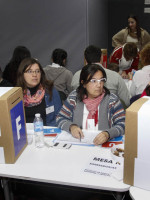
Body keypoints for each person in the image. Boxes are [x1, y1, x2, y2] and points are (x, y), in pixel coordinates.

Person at [56, 64, 125, 145]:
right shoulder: (74, 97)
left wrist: (108, 134)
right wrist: (71, 127)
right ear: (83, 83)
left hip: (102, 146)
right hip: (79, 144)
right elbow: (60, 118)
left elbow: (123, 124)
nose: (99, 85)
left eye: (101, 80)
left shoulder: (112, 100)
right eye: (93, 81)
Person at [16, 57, 62, 126]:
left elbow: (59, 116)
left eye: (37, 71)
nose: (34, 75)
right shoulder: (15, 94)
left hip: (47, 132)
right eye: (30, 71)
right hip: (24, 134)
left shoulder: (50, 90)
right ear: (22, 74)